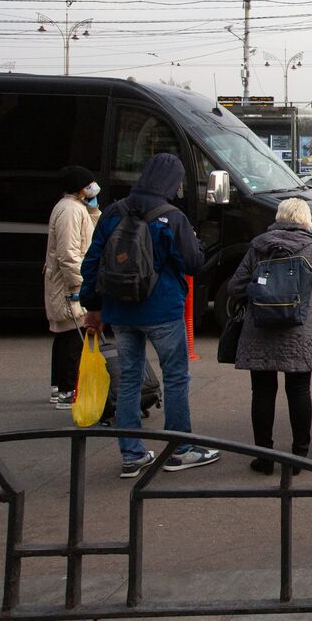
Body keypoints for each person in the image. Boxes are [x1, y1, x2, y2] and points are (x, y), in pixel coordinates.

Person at [80, 153, 213, 478]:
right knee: (176, 377)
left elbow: (93, 261)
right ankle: (180, 449)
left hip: (120, 311)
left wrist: (92, 306)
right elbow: (193, 263)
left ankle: (132, 455)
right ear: (170, 181)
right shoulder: (172, 217)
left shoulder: (113, 212)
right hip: (162, 310)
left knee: (128, 380)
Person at [226, 198, 312, 472]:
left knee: (263, 392)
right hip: (298, 329)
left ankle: (264, 457)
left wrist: (261, 289)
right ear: (305, 219)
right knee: (299, 391)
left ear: (279, 217)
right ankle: (299, 456)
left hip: (260, 329)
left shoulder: (258, 246)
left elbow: (235, 287)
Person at [44, 166, 100, 409]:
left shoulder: (76, 208)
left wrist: (94, 209)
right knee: (73, 335)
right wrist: (79, 284)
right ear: (80, 188)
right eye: (89, 184)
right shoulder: (69, 210)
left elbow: (92, 230)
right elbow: (68, 254)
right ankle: (67, 389)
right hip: (69, 283)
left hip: (66, 280)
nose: (94, 187)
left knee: (65, 333)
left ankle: (59, 386)